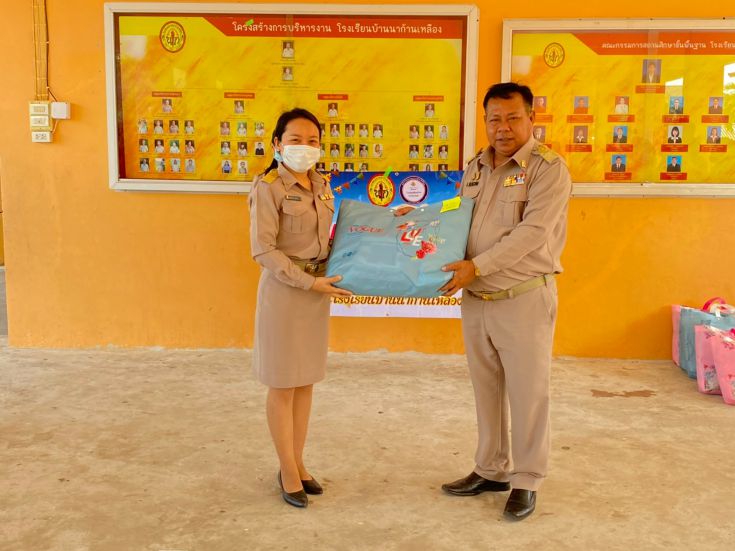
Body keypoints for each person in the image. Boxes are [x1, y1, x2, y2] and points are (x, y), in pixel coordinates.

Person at [436, 82, 572, 521]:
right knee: (487, 389)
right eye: (494, 119)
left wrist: (477, 266)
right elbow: (458, 216)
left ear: (532, 118)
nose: (503, 128)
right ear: (485, 121)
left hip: (523, 297)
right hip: (477, 299)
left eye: (513, 118)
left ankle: (527, 479)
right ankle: (491, 468)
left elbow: (532, 234)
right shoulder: (475, 166)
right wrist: (416, 226)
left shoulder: (548, 170)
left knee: (528, 393)